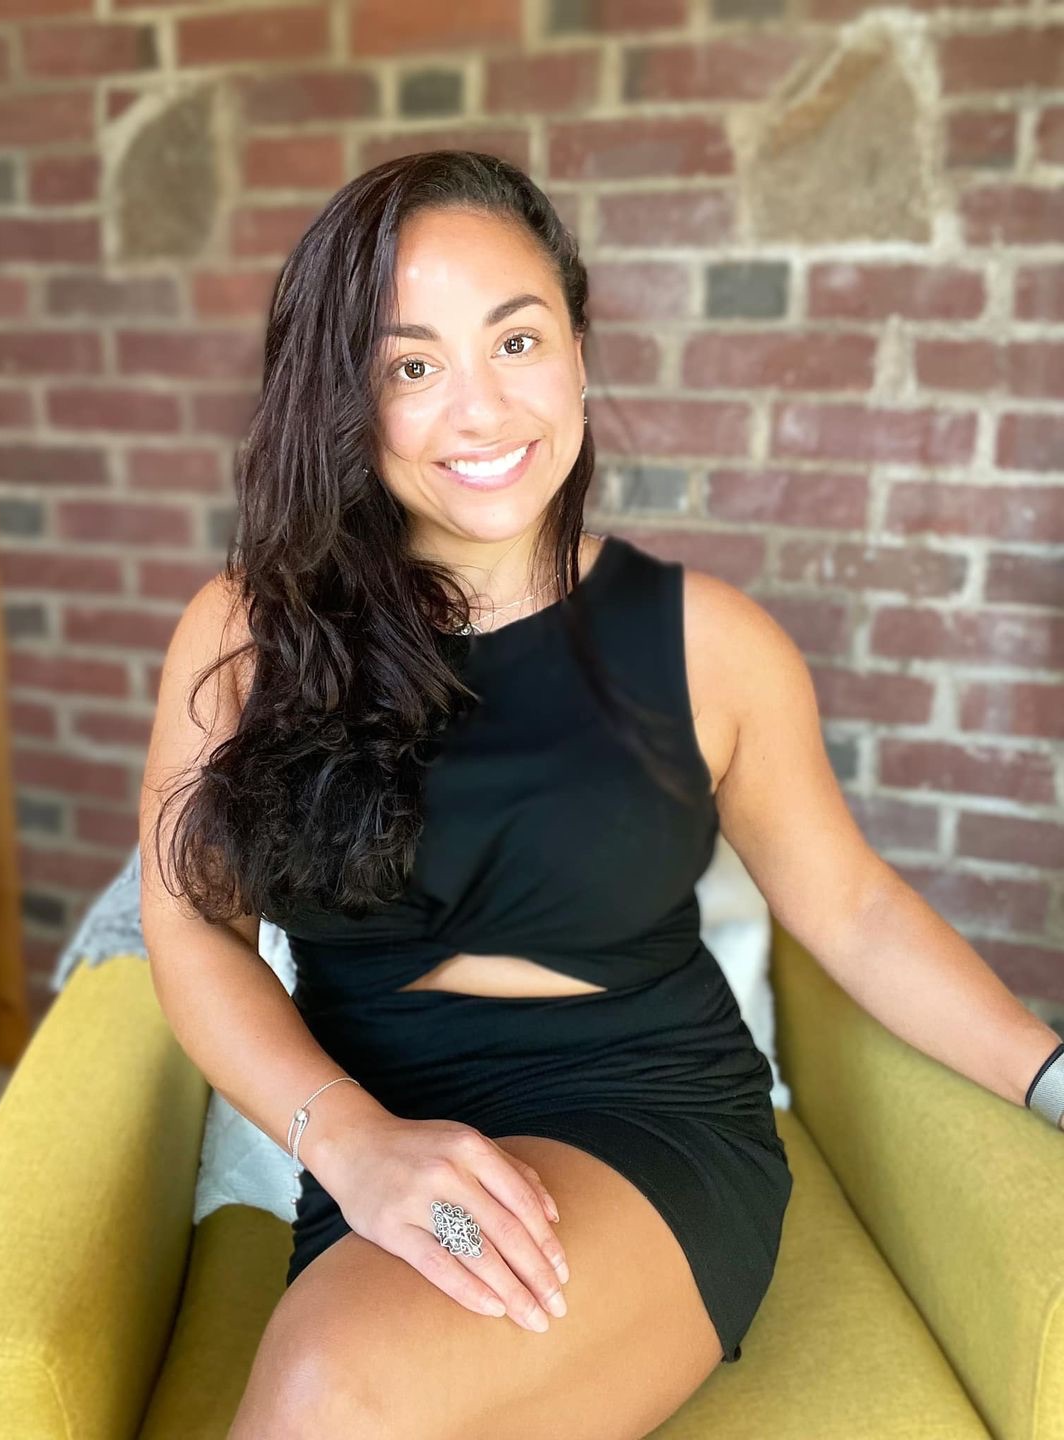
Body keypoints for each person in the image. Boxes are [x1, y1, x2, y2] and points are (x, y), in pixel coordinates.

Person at [139, 150, 1063, 1440]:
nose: (481, 409)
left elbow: (854, 909)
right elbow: (192, 925)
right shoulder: (249, 634)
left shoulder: (708, 644)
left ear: (577, 352)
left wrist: (1053, 1077)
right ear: (344, 399)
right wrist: (347, 1140)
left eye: (516, 341)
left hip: (649, 1131)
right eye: (412, 367)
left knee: (327, 1390)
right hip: (377, 1150)